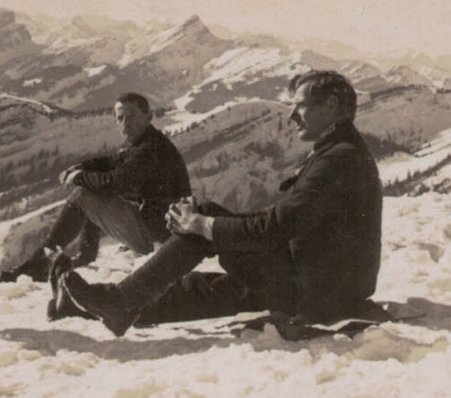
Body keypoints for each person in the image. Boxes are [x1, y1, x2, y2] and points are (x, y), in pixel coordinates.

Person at [55, 69, 382, 336]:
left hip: (315, 291)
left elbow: (277, 227)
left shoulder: (338, 160)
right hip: (320, 283)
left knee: (205, 215)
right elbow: (289, 221)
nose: (292, 115)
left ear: (333, 104)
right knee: (201, 288)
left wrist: (204, 225)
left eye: (301, 105)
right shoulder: (340, 151)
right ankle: (93, 306)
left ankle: (121, 301)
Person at [0, 92, 191, 286]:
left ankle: (41, 263)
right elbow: (114, 161)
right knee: (92, 190)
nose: (125, 123)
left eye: (131, 116)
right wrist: (82, 167)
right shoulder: (148, 141)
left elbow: (112, 184)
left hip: (160, 238)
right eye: (120, 118)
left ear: (148, 117)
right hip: (162, 227)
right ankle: (83, 255)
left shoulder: (149, 149)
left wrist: (79, 177)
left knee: (84, 194)